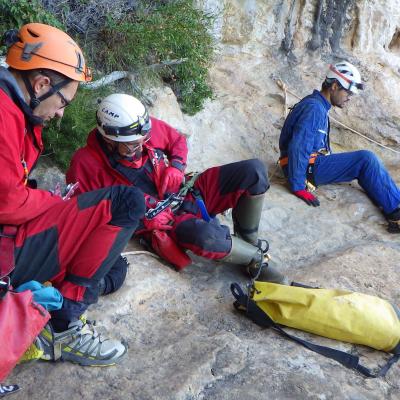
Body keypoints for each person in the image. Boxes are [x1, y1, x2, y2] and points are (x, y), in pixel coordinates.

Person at [0, 23, 145, 366]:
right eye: (63, 100)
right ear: (41, 84)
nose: (62, 111)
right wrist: (54, 203)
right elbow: (7, 202)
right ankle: (63, 328)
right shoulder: (4, 116)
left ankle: (63, 310)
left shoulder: (13, 108)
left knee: (114, 265)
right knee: (126, 203)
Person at [66, 93, 288, 284]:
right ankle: (256, 260)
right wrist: (139, 220)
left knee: (254, 171)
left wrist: (176, 167)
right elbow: (87, 216)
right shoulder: (85, 165)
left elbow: (176, 142)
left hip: (188, 191)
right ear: (109, 140)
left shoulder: (139, 128)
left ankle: (248, 245)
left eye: (143, 140)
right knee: (206, 236)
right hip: (167, 222)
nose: (141, 146)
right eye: (133, 145)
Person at [279, 61, 400, 232]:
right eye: (348, 92)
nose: (349, 97)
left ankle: (394, 204)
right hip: (308, 168)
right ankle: (397, 215)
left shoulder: (317, 105)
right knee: (366, 160)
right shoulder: (314, 108)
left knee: (366, 166)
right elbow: (298, 148)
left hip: (311, 164)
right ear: (335, 86)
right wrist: (298, 186)